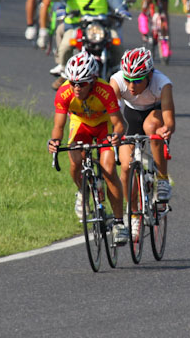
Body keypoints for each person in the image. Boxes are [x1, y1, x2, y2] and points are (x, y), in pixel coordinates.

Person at [48, 51, 129, 245]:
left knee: (109, 169)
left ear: (92, 80)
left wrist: (116, 136)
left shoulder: (105, 90)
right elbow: (58, 126)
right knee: (75, 160)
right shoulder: (64, 92)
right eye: (73, 82)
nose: (76, 87)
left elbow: (119, 124)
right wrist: (55, 142)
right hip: (81, 124)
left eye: (82, 83)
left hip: (104, 126)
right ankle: (82, 191)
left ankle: (119, 223)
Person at [110, 48, 175, 238]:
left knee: (153, 127)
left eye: (137, 80)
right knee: (125, 167)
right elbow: (110, 113)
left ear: (149, 75)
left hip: (154, 114)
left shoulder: (162, 84)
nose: (131, 85)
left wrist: (167, 129)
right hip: (131, 117)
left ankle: (162, 179)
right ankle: (135, 213)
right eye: (128, 79)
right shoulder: (117, 81)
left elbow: (169, 119)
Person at [49, 0, 130, 90]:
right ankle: (64, 70)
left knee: (117, 41)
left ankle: (117, 71)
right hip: (76, 24)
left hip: (102, 25)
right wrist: (60, 8)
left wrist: (121, 8)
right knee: (67, 44)